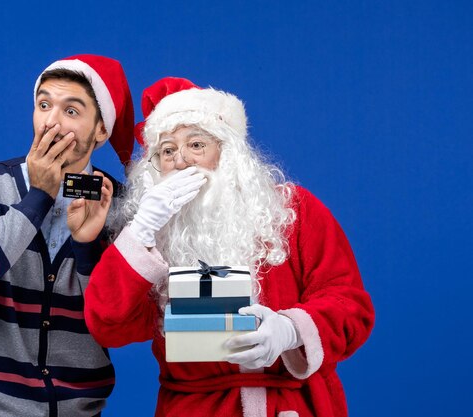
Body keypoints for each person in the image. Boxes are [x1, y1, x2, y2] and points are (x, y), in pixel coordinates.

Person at [83, 77, 375, 417]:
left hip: (295, 405)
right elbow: (107, 324)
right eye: (167, 151)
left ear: (228, 152)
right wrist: (141, 230)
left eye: (195, 145)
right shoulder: (153, 236)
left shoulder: (294, 210)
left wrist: (291, 330)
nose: (181, 162)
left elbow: (352, 306)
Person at [0, 54, 134, 417]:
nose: (51, 122)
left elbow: (115, 322)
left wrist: (87, 246)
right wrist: (38, 197)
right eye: (44, 104)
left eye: (72, 111)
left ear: (101, 131)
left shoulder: (120, 204)